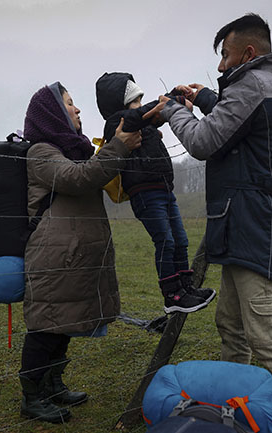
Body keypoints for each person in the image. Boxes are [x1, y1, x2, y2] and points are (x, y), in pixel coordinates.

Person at [142, 13, 272, 433]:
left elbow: (205, 142)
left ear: (248, 52)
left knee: (264, 332)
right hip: (251, 222)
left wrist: (173, 110)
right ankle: (234, 398)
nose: (221, 65)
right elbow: (245, 120)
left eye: (225, 55)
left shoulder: (256, 84)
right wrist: (205, 97)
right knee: (231, 322)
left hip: (256, 226)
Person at [18, 81, 142, 423]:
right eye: (69, 104)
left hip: (70, 254)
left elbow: (92, 170)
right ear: (53, 113)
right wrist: (118, 146)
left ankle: (53, 384)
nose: (77, 109)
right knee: (45, 328)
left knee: (63, 324)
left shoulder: (76, 148)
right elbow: (79, 178)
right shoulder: (40, 152)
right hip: (52, 255)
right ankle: (31, 396)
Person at [95, 72, 215, 314]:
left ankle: (186, 288)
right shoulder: (117, 123)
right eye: (135, 100)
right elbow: (140, 114)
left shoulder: (141, 119)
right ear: (120, 104)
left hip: (163, 188)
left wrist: (175, 95)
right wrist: (170, 99)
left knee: (180, 240)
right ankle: (172, 295)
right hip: (144, 192)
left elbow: (155, 113)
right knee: (165, 241)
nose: (140, 105)